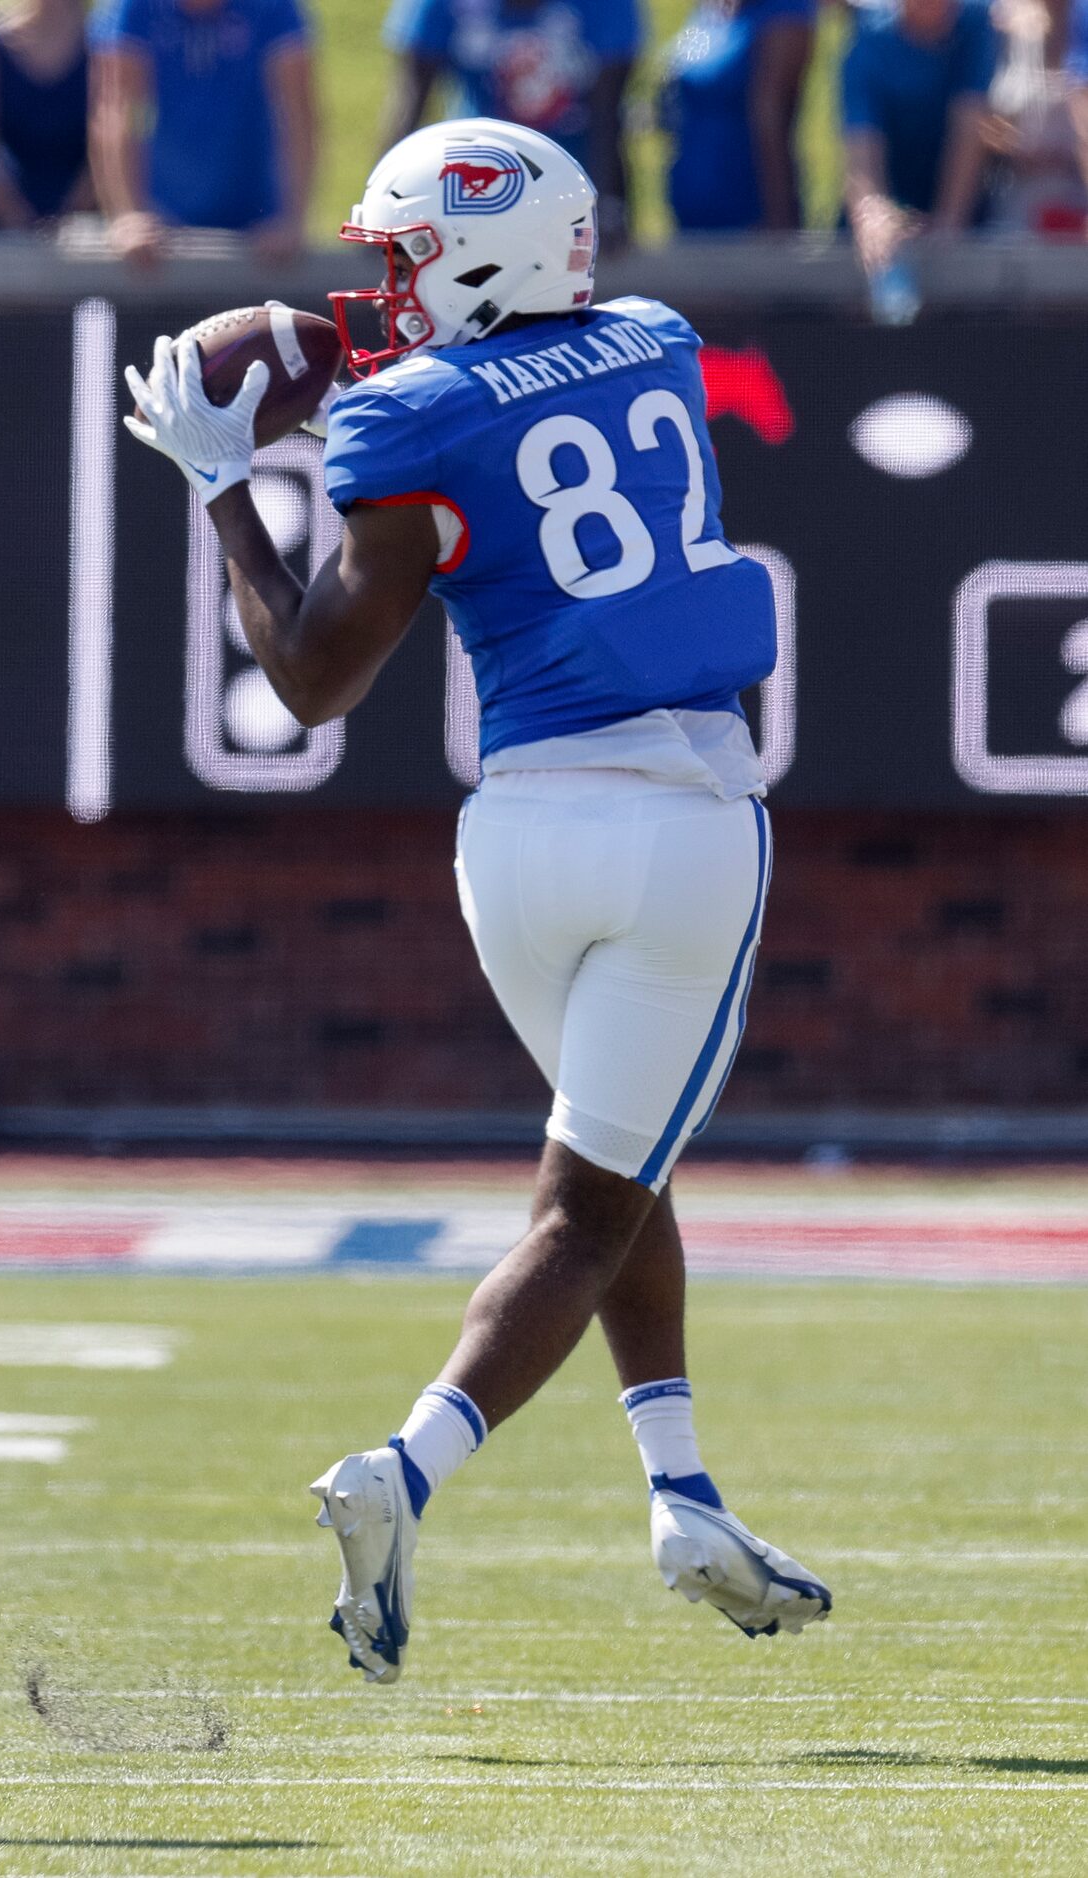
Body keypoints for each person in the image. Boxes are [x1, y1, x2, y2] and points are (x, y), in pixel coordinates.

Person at [123, 119, 832, 1684]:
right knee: (591, 1202)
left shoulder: (406, 417)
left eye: (403, 257)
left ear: (487, 253)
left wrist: (225, 487)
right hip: (680, 820)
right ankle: (406, 1465)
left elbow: (310, 680)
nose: (381, 289)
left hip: (511, 841)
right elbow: (542, 374)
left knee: (609, 1175)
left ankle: (685, 1495)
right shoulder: (653, 342)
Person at [382, 0, 638, 244]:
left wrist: (607, 208)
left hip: (571, 188)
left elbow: (608, 117)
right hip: (468, 192)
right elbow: (412, 103)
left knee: (569, 271)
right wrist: (387, 202)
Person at [89, 0, 317, 262]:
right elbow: (117, 112)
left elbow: (297, 114)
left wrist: (290, 219)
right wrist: (128, 214)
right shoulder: (134, 7)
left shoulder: (272, 7)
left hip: (257, 222)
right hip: (162, 224)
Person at [842, 0, 997, 294]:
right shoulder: (868, 42)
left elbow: (970, 122)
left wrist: (950, 221)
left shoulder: (975, 26)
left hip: (964, 228)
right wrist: (874, 215)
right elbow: (861, 146)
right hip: (892, 226)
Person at [660, 0, 815, 232]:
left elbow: (771, 117)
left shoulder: (786, 12)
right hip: (687, 219)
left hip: (750, 222)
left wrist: (780, 219)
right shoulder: (707, 9)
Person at [0, 0, 91, 231]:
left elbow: (113, 136)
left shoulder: (107, 46)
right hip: (6, 227)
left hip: (85, 229)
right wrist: (15, 215)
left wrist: (72, 215)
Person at [983, 0, 1084, 233]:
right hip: (1017, 204)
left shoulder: (1082, 23)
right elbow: (982, 124)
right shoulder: (1000, 25)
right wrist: (1016, 148)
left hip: (1077, 200)